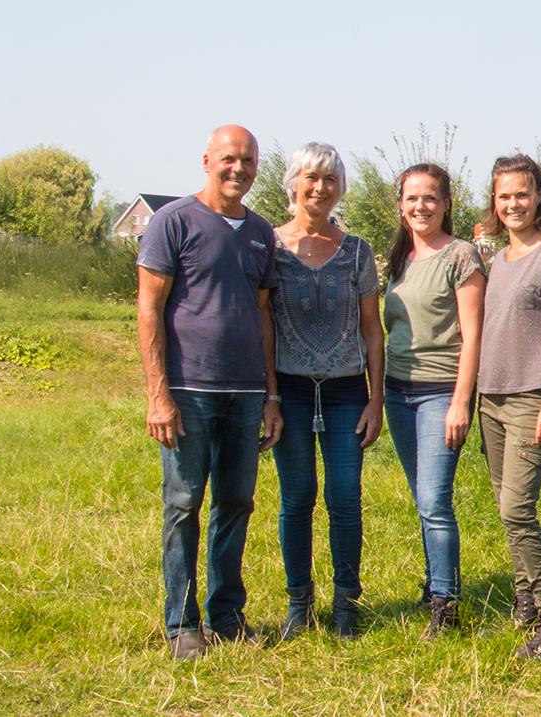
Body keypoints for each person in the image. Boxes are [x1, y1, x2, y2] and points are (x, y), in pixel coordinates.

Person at [136, 125, 283, 661]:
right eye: (228, 158)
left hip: (245, 393)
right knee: (182, 503)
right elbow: (149, 308)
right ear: (206, 161)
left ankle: (226, 615)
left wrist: (270, 396)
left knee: (236, 503)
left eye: (247, 160)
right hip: (187, 391)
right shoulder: (172, 221)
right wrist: (158, 394)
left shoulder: (261, 233)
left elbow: (264, 314)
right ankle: (181, 624)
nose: (238, 168)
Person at [268, 142, 384, 640]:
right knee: (296, 498)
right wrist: (269, 397)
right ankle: (299, 603)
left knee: (345, 498)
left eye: (330, 180)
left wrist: (375, 399)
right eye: (311, 178)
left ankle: (346, 605)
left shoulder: (357, 251)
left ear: (340, 188)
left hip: (345, 396)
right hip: (289, 394)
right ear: (293, 182)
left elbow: (372, 329)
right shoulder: (267, 246)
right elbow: (261, 324)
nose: (320, 188)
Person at [477, 154, 541, 660]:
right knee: (505, 506)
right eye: (504, 196)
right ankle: (526, 599)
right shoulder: (497, 259)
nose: (513, 203)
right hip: (488, 398)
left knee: (517, 509)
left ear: (538, 196)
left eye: (522, 193)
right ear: (494, 202)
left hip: (529, 398)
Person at [382, 163, 486, 640]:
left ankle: (446, 605)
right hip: (397, 392)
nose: (420, 206)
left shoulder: (461, 257)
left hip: (440, 392)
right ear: (400, 206)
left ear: (446, 204)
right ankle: (433, 586)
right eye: (411, 198)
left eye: (430, 198)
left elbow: (473, 336)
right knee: (420, 498)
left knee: (434, 500)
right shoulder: (400, 257)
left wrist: (461, 402)